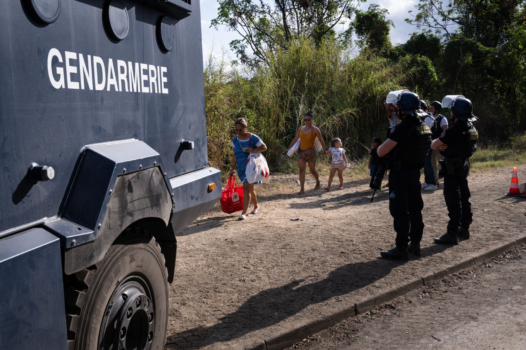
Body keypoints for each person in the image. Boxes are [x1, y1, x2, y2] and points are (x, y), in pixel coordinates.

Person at [375, 90, 432, 260]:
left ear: (402, 109)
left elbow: (380, 151)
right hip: (415, 173)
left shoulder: (403, 127)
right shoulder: (424, 126)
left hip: (400, 175)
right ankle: (415, 243)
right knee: (415, 208)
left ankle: (401, 248)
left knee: (399, 210)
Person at [431, 96, 478, 245]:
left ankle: (452, 233)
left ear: (456, 112)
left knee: (453, 199)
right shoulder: (472, 128)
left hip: (452, 168)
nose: (450, 113)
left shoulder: (454, 129)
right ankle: (464, 228)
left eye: (452, 110)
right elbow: (472, 147)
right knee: (464, 197)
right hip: (463, 165)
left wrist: (442, 145)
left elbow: (433, 144)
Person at [229, 118, 268, 220]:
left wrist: (253, 150)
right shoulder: (235, 139)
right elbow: (234, 155)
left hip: (251, 167)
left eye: (240, 130)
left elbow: (264, 147)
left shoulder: (253, 137)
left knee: (246, 187)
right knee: (250, 188)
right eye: (236, 130)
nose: (238, 132)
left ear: (245, 128)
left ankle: (243, 213)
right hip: (241, 169)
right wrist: (233, 168)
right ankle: (256, 206)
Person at [288, 111, 327, 195]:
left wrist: (324, 151)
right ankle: (302, 189)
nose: (307, 122)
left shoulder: (315, 129)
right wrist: (290, 147)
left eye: (308, 120)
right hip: (301, 152)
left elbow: (321, 140)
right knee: (301, 170)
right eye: (305, 120)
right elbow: (296, 138)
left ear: (312, 120)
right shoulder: (300, 129)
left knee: (312, 170)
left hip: (311, 152)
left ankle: (318, 182)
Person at [422, 101, 449, 191]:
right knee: (431, 164)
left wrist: (442, 143)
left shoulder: (442, 118)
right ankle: (434, 182)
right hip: (430, 145)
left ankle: (449, 180)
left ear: (437, 110)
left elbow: (446, 132)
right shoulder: (428, 118)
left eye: (431, 108)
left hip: (439, 145)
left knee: (443, 163)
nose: (429, 109)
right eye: (429, 108)